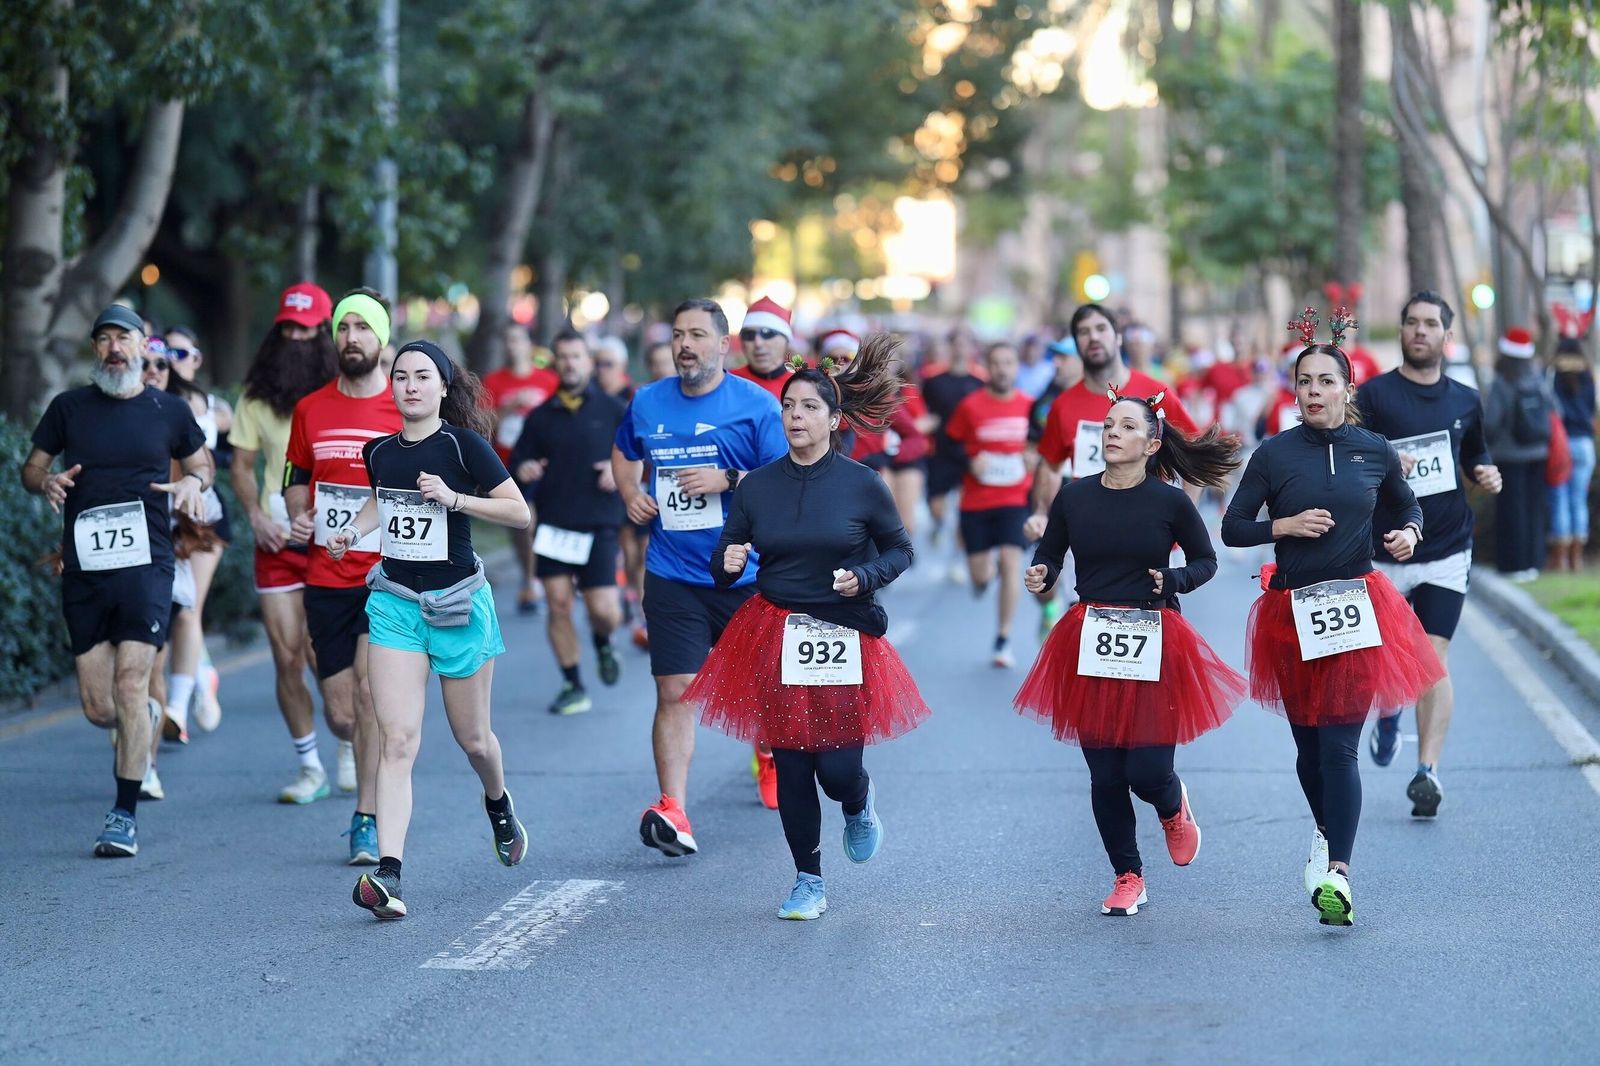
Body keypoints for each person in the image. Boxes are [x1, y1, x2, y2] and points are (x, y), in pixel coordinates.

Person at [684, 335, 930, 919]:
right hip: (776, 631)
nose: (795, 416)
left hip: (844, 631)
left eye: (809, 407)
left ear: (834, 419)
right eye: (788, 406)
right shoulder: (758, 486)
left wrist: (865, 577)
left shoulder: (863, 484)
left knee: (839, 767)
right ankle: (807, 880)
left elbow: (900, 550)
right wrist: (731, 561)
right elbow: (724, 560)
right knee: (792, 761)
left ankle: (858, 801)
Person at [1222, 309, 1444, 927]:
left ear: (1348, 390)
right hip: (1291, 615)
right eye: (1305, 382)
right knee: (1308, 750)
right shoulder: (1273, 455)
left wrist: (1407, 534)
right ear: (1294, 391)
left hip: (1354, 608)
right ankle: (1324, 833)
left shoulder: (1373, 452)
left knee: (1340, 748)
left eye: (1326, 381)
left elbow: (1408, 508)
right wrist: (1284, 527)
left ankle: (1339, 875)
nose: (1314, 392)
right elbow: (1233, 526)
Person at [1017, 394, 1245, 916]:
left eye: (1126, 426)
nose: (1112, 433)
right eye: (1107, 425)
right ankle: (1128, 875)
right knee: (1105, 774)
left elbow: (1206, 561)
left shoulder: (1169, 502)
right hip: (1091, 634)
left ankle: (1171, 805)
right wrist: (1041, 576)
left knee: (1146, 769)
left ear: (1152, 443)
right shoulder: (1074, 497)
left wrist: (1176, 578)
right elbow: (1050, 555)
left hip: (1156, 635)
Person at [330, 340, 531, 920]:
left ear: (444, 388)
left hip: (459, 605)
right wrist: (353, 531)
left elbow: (519, 512)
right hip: (396, 604)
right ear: (391, 387)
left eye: (423, 377)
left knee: (474, 741)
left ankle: (497, 802)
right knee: (398, 740)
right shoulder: (380, 451)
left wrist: (455, 498)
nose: (411, 386)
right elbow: (382, 504)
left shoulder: (464, 446)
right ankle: (388, 875)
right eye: (401, 377)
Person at [21, 304, 210, 856]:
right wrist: (46, 482)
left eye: (122, 337)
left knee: (130, 685)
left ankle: (123, 814)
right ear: (96, 350)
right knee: (99, 707)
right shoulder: (68, 409)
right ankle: (144, 717)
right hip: (83, 570)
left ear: (143, 343)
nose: (113, 348)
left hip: (147, 566)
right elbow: (32, 468)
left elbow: (202, 464)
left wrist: (194, 485)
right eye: (102, 339)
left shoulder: (168, 410)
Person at [611, 298, 787, 852]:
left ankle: (766, 746)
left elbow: (785, 481)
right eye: (677, 336)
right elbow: (623, 453)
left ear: (722, 344)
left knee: (764, 688)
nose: (685, 345)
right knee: (675, 690)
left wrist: (728, 479)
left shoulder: (756, 406)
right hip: (673, 573)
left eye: (696, 335)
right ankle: (675, 810)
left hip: (748, 575)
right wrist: (630, 492)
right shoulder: (646, 401)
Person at [1356, 291, 1502, 818]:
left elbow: (1475, 453)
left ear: (1447, 337)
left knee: (1433, 659)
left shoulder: (1465, 399)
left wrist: (1485, 472)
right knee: (1386, 659)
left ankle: (1427, 771)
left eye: (1429, 324)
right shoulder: (1372, 396)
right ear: (1401, 332)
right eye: (1411, 323)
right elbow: (1352, 461)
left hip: (1445, 547)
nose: (1419, 331)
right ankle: (1389, 710)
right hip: (1384, 550)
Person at [285, 288, 402, 864]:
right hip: (326, 575)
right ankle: (363, 759)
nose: (351, 337)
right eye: (344, 327)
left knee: (368, 693)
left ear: (382, 339)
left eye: (363, 327)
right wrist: (296, 511)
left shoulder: (404, 408)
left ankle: (367, 817)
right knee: (342, 713)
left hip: (387, 576)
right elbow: (295, 474)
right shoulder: (311, 409)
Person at [230, 282, 348, 802]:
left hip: (337, 539)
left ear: (324, 333)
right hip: (277, 538)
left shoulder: (347, 390)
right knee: (285, 655)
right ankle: (309, 768)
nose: (297, 338)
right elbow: (241, 464)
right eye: (289, 328)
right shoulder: (255, 396)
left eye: (307, 329)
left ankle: (348, 747)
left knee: (328, 655)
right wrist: (255, 514)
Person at [511, 328, 627, 716]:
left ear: (588, 361)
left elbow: (640, 457)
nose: (569, 363)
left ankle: (602, 640)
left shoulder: (613, 410)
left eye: (576, 356)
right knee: (558, 605)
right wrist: (525, 472)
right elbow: (518, 465)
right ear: (555, 363)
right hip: (555, 525)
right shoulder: (541, 417)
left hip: (599, 524)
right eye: (562, 357)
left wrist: (620, 470)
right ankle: (573, 684)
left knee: (605, 611)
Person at [146, 328, 232, 742]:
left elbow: (222, 433)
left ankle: (176, 709)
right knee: (171, 608)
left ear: (195, 358)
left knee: (188, 609)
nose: (167, 361)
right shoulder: (145, 396)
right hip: (157, 514)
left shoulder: (198, 403)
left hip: (201, 517)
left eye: (180, 353)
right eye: (163, 352)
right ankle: (201, 672)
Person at [944, 342, 1036, 667]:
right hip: (977, 502)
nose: (1002, 369)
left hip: (1014, 498)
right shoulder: (970, 406)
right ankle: (985, 575)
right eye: (996, 363)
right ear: (987, 367)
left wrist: (1033, 457)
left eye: (1008, 362)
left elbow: (1044, 446)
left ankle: (1003, 638)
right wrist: (969, 461)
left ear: (1016, 366)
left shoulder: (1030, 405)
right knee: (980, 576)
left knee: (1013, 561)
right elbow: (949, 444)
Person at [481, 323, 559, 614]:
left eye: (518, 339)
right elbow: (484, 425)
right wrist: (508, 406)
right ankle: (531, 576)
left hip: (544, 462)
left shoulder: (548, 380)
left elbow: (559, 420)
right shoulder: (494, 382)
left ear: (528, 344)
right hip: (507, 462)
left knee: (535, 520)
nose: (513, 345)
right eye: (508, 340)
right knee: (519, 526)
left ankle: (535, 580)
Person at [1484, 327, 1557, 581]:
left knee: (1511, 511)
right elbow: (1554, 411)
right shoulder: (1537, 378)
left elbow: (1492, 421)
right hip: (1538, 453)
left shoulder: (1502, 382)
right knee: (1534, 509)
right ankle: (1534, 562)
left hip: (1509, 456)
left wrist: (1485, 441)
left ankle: (1514, 565)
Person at [921, 335, 985, 553]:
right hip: (940, 449)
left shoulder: (980, 380)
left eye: (965, 344)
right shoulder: (933, 378)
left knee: (964, 505)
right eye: (956, 344)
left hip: (968, 451)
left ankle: (958, 557)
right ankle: (939, 525)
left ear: (972, 348)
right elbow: (922, 409)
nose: (960, 349)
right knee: (937, 505)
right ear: (949, 347)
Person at [1547, 336, 1596, 572]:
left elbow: (1553, 410)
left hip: (1562, 445)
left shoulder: (1555, 377)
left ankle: (1562, 559)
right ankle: (1577, 558)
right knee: (1578, 500)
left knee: (1560, 500)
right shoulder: (1588, 376)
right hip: (1585, 444)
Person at [730, 297, 796, 400]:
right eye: (749, 335)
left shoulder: (803, 386)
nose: (758, 343)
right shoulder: (727, 383)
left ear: (786, 341)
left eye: (768, 334)